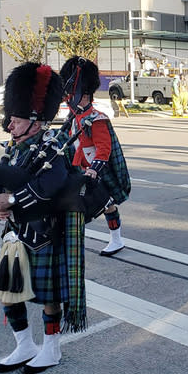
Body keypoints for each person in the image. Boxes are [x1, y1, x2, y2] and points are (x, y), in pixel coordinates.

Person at [0, 62, 86, 374]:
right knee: (8, 293)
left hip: (43, 234)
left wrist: (13, 199)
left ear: (33, 119)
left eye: (14, 121)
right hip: (14, 234)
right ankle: (24, 345)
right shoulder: (13, 150)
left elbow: (50, 185)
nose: (9, 126)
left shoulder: (52, 147)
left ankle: (52, 349)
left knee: (48, 298)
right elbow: (0, 185)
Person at [60, 56, 131, 256]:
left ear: (84, 96)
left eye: (72, 95)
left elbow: (104, 149)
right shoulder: (74, 118)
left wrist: (93, 170)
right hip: (78, 170)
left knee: (107, 205)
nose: (68, 99)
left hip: (95, 172)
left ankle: (117, 239)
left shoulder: (96, 119)